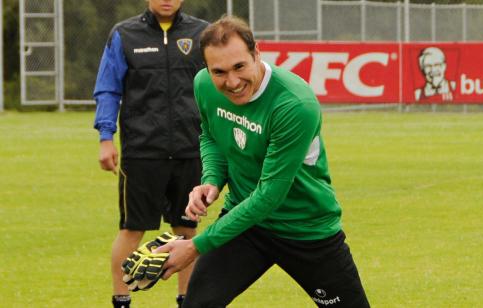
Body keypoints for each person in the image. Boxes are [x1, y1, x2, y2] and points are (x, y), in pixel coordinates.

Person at [154, 16, 370, 307]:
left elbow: (269, 195)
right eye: (219, 71)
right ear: (207, 68)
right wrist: (212, 180)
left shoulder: (294, 104)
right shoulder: (205, 85)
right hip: (244, 224)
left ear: (257, 54)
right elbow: (211, 135)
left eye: (239, 67)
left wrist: (195, 246)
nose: (231, 82)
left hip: (305, 228)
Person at [92, 0, 208, 307]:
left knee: (187, 230)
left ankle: (188, 300)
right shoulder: (124, 34)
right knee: (132, 229)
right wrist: (106, 137)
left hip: (190, 150)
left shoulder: (203, 33)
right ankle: (122, 300)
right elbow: (108, 89)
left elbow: (218, 88)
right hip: (142, 152)